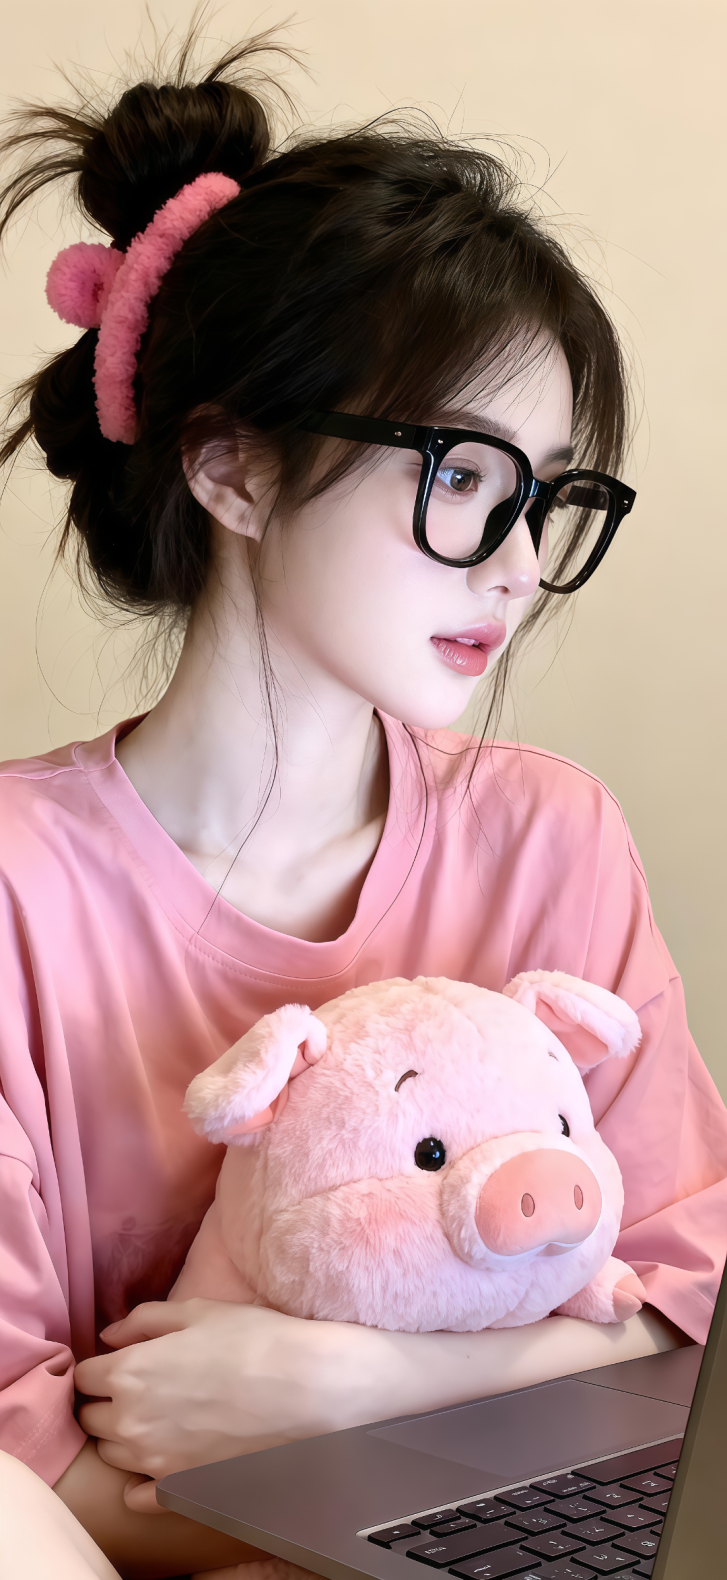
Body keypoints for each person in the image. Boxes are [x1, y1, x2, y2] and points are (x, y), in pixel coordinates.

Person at [0, 28, 725, 1580]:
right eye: (461, 474)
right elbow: (21, 1465)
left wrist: (358, 1388)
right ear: (233, 471)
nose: (516, 566)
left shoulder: (549, 837)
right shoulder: (18, 890)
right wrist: (520, 1387)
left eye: (543, 495)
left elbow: (687, 1302)